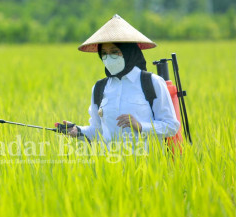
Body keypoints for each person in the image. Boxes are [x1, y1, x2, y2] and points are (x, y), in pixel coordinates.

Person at [57, 15, 180, 147]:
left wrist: (141, 126)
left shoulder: (151, 82)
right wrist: (77, 131)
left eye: (115, 52)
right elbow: (98, 130)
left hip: (149, 162)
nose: (108, 57)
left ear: (128, 52)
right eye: (104, 53)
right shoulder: (99, 88)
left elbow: (171, 126)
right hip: (111, 164)